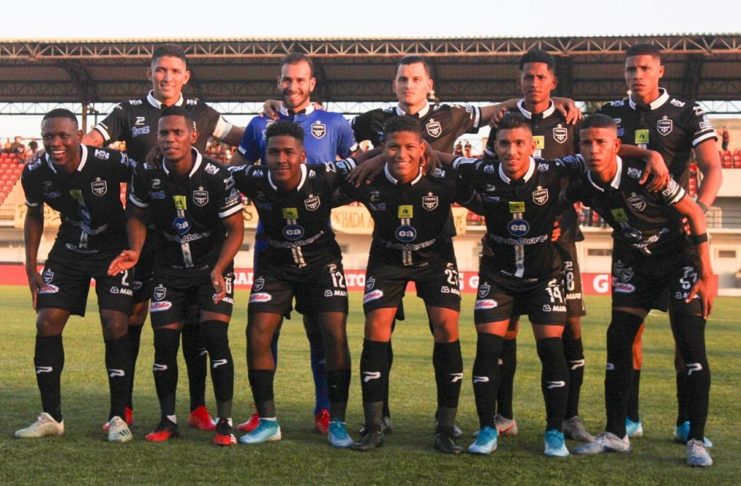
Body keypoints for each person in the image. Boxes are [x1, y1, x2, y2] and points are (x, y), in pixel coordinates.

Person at [83, 44, 244, 431]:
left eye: (174, 71)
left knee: (195, 325)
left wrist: (266, 123)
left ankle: (198, 407)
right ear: (150, 73)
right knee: (135, 318)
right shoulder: (128, 111)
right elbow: (90, 143)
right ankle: (123, 408)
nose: (167, 76)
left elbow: (244, 137)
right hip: (144, 233)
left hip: (192, 236)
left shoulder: (203, 113)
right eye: (160, 70)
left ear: (186, 76)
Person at [569, 114, 715, 468]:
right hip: (633, 261)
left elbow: (694, 213)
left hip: (679, 258)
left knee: (690, 342)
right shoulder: (580, 177)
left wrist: (707, 273)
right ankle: (615, 434)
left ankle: (696, 440)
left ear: (616, 146)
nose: (593, 149)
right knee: (619, 339)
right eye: (586, 143)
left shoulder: (646, 175)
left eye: (601, 142)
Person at [598, 43, 722, 444]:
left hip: (677, 241)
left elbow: (712, 168)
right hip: (631, 242)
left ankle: (686, 422)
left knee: (685, 335)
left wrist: (698, 208)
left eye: (644, 68)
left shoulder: (687, 112)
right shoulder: (611, 114)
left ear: (660, 71)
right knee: (627, 334)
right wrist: (645, 151)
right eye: (630, 69)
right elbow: (591, 146)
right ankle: (629, 419)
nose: (637, 75)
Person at [230, 52, 356, 435]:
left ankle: (326, 411)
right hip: (271, 245)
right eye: (287, 79)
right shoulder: (260, 124)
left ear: (312, 83)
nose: (293, 86)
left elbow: (358, 169)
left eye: (300, 80)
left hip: (317, 244)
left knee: (322, 333)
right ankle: (263, 413)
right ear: (278, 81)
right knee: (263, 331)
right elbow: (234, 170)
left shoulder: (335, 123)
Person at [340, 115, 477, 454]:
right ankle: (373, 425)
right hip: (387, 259)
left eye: (409, 147)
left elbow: (489, 201)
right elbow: (318, 195)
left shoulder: (444, 181)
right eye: (393, 147)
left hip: (434, 258)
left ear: (422, 149)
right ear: (382, 149)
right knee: (376, 325)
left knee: (447, 326)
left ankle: (445, 426)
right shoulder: (366, 179)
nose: (401, 154)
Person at [108, 106, 243, 445]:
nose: (170, 139)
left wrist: (219, 268)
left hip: (211, 268)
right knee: (164, 345)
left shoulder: (216, 174)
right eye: (164, 133)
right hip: (168, 269)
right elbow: (136, 215)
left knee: (215, 338)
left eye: (177, 133)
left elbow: (236, 229)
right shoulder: (146, 173)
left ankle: (225, 423)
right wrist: (135, 250)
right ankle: (168, 420)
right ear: (157, 137)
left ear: (193, 136)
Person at [480, 49, 592, 442]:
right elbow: (488, 172)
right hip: (512, 241)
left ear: (553, 82)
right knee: (506, 327)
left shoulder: (569, 119)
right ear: (519, 80)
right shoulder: (504, 121)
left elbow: (586, 166)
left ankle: (570, 416)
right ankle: (504, 414)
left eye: (541, 77)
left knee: (570, 324)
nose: (534, 83)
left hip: (561, 239)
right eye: (528, 76)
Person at [15, 108, 134, 443]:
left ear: (79, 136)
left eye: (63, 135)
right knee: (46, 320)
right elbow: (34, 215)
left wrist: (141, 244)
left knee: (115, 323)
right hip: (69, 248)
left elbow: (147, 182)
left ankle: (118, 418)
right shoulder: (35, 171)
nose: (55, 142)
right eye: (48, 136)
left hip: (113, 247)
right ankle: (51, 417)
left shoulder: (108, 161)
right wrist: (30, 266)